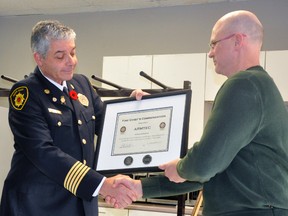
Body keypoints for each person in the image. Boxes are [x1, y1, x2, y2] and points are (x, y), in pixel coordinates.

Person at [109, 10, 288, 216]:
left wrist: (182, 167)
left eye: (214, 44)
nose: (210, 53)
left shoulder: (243, 84)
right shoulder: (261, 87)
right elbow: (211, 171)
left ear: (238, 40)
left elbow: (204, 163)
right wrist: (141, 187)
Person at [0, 20, 139, 216]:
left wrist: (136, 108)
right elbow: (43, 152)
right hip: (38, 206)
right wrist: (102, 185)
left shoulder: (81, 84)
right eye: (60, 56)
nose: (71, 61)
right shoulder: (26, 93)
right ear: (39, 58)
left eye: (72, 53)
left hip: (80, 202)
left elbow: (110, 129)